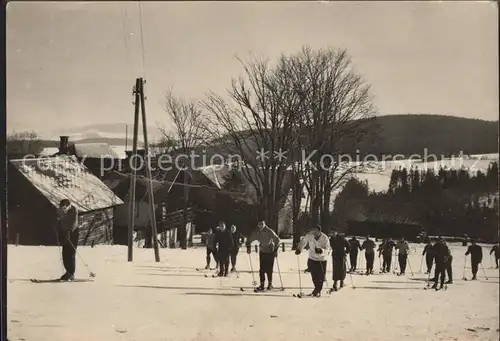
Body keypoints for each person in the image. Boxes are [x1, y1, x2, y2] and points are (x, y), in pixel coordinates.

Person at [295, 225, 331, 297]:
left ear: (319, 231)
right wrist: (299, 249)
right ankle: (316, 289)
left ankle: (317, 290)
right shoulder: (310, 235)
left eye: (315, 231)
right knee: (314, 276)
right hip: (312, 258)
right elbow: (303, 242)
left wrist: (321, 251)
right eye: (313, 231)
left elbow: (328, 249)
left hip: (322, 259)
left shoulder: (325, 238)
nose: (313, 233)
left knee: (320, 277)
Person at [246, 220, 281, 291]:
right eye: (259, 224)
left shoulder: (269, 231)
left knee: (269, 269)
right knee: (262, 270)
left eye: (262, 224)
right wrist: (248, 247)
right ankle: (262, 285)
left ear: (264, 224)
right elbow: (249, 239)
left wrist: (275, 250)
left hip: (270, 252)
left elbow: (277, 240)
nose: (261, 226)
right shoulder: (257, 232)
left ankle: (270, 284)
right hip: (262, 252)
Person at [56, 199, 79, 281]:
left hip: (73, 233)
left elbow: (74, 223)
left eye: (65, 208)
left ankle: (71, 274)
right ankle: (67, 272)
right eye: (62, 208)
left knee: (71, 254)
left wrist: (69, 231)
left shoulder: (74, 211)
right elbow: (57, 218)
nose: (64, 210)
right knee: (65, 253)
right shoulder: (60, 210)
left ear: (69, 206)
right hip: (64, 233)